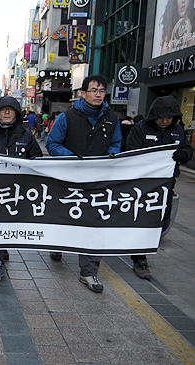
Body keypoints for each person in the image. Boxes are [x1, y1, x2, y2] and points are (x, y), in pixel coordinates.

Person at [46, 75, 122, 293]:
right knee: (64, 217)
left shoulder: (112, 119)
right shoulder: (67, 118)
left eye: (101, 91)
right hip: (69, 180)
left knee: (94, 224)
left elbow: (116, 143)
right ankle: (57, 244)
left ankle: (88, 272)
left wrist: (111, 156)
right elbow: (52, 144)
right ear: (83, 93)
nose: (98, 94)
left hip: (98, 182)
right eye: (94, 90)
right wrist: (72, 159)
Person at [126, 95, 194, 279]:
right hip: (143, 186)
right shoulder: (140, 129)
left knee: (162, 223)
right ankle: (140, 260)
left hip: (166, 186)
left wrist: (184, 154)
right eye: (162, 117)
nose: (165, 121)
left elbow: (188, 150)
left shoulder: (177, 130)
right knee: (142, 223)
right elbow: (131, 154)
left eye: (169, 117)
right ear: (154, 115)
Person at [0, 96, 43, 282]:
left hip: (18, 191)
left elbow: (37, 158)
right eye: (3, 109)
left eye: (11, 109)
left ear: (17, 113)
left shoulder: (26, 135)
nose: (7, 112)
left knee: (10, 223)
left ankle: (2, 247)